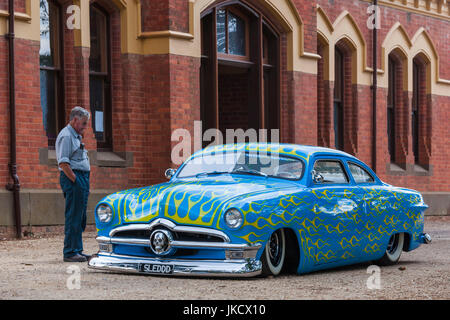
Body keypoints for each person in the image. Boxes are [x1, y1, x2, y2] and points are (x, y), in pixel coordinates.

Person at [55, 107, 91, 262]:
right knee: (74, 215)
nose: (85, 127)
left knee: (80, 216)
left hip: (81, 178)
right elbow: (63, 162)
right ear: (75, 119)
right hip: (73, 179)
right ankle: (70, 252)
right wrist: (76, 180)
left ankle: (77, 249)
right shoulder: (66, 136)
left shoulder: (76, 135)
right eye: (83, 123)